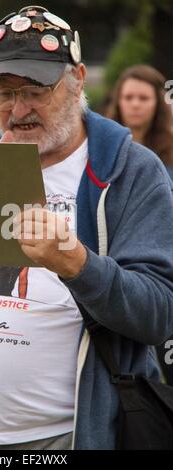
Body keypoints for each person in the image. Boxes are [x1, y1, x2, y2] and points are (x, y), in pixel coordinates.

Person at [0, 6, 173, 450]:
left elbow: (159, 311)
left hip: (66, 437)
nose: (18, 109)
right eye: (3, 92)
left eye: (36, 90)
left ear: (77, 79)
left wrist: (79, 265)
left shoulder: (131, 171)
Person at [105, 65, 173, 385]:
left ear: (158, 102)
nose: (135, 104)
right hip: (120, 272)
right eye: (128, 96)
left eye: (143, 97)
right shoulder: (102, 153)